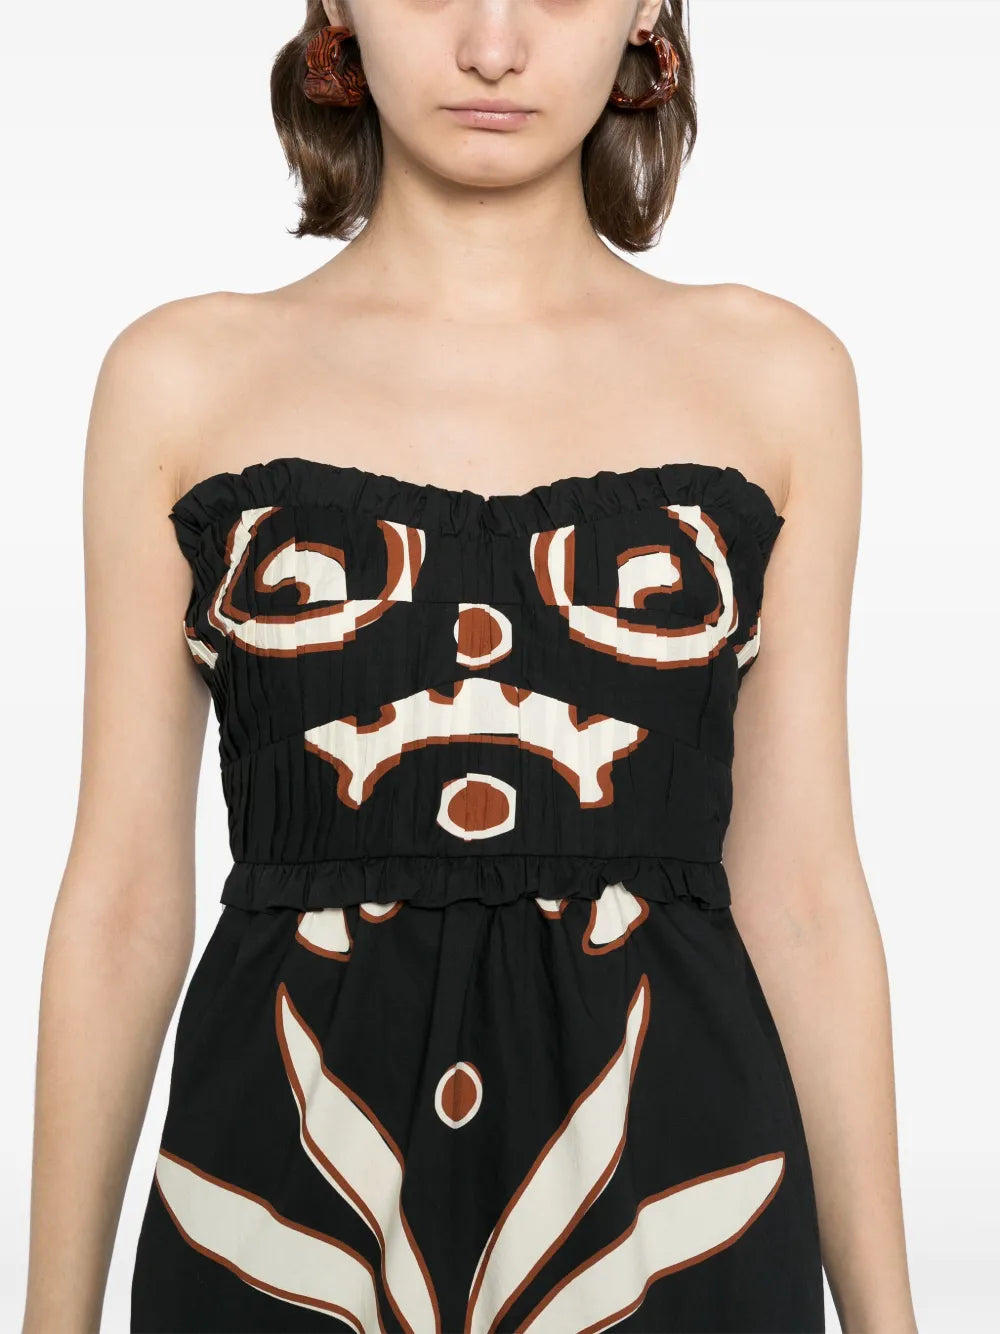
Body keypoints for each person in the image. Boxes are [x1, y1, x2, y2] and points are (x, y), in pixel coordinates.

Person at [22, 2, 919, 1332]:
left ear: (648, 8)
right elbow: (122, 900)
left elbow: (802, 895)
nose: (493, 45)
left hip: (675, 1217)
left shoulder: (777, 380)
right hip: (281, 1215)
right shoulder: (181, 381)